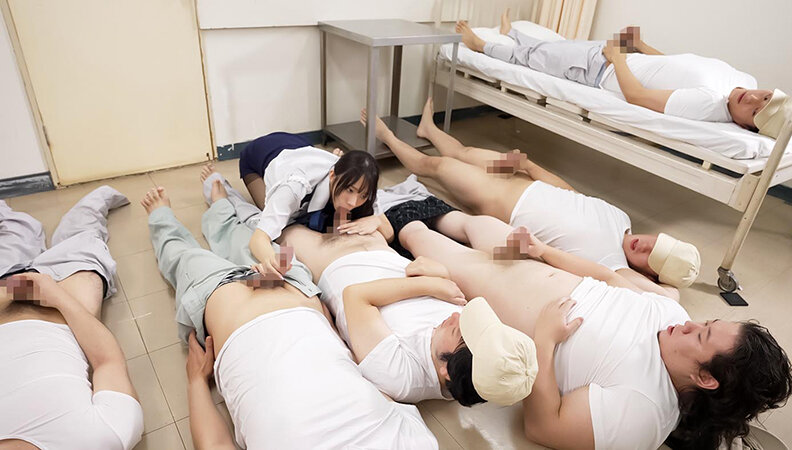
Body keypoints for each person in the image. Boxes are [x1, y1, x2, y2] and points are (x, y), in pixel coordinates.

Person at [394, 219, 792, 449]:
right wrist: (543, 251)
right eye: (706, 323)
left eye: (701, 337)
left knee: (415, 231)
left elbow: (543, 427)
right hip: (524, 264)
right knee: (474, 222)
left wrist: (545, 341)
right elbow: (608, 277)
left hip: (488, 287)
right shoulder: (672, 315)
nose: (691, 325)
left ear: (705, 378)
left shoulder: (644, 412)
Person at [142, 180, 439, 449]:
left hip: (227, 305)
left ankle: (162, 216)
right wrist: (327, 321)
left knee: (181, 256)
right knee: (249, 239)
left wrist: (196, 382)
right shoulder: (418, 443)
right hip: (297, 288)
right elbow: (373, 384)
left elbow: (214, 444)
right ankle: (220, 201)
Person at [362, 106, 699, 297]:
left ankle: (385, 135)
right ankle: (429, 130)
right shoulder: (621, 218)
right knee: (465, 151)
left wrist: (666, 282)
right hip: (521, 177)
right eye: (656, 242)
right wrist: (530, 166)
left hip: (494, 197)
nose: (645, 245)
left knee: (434, 166)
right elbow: (572, 194)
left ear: (650, 274)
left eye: (652, 256)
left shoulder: (612, 264)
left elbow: (668, 297)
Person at [279, 223, 536, 406]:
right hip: (376, 242)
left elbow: (355, 295)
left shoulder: (401, 376)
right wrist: (440, 275)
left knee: (283, 223)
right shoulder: (465, 352)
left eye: (459, 331)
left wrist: (430, 284)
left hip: (331, 258)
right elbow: (445, 283)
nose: (457, 317)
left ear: (446, 370)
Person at [456, 11, 792, 137]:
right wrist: (641, 46)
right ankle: (513, 33)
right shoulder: (743, 81)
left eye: (755, 111)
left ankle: (480, 45)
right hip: (613, 57)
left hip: (600, 68)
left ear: (744, 126)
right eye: (765, 97)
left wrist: (617, 58)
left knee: (534, 58)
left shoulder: (707, 105)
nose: (753, 98)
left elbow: (637, 96)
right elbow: (678, 65)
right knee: (550, 48)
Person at [0, 187, 144, 450]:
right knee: (83, 232)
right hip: (64, 301)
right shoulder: (101, 440)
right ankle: (101, 197)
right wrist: (56, 297)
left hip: (4, 288)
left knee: (15, 232)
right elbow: (108, 361)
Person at [240, 132, 380, 279]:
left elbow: (386, 229)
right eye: (349, 190)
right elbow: (258, 239)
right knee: (272, 214)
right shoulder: (293, 189)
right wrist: (271, 260)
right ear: (333, 176)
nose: (353, 202)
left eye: (362, 195)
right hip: (261, 153)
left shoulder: (364, 185)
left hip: (301, 147)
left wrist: (376, 220)